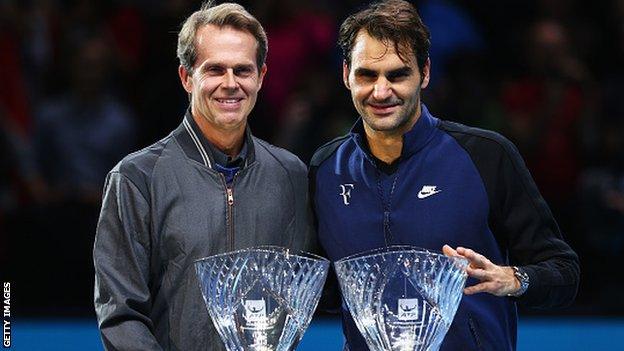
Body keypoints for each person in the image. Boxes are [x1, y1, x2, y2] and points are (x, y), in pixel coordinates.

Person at [309, 1, 580, 350]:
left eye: (397, 74)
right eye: (367, 75)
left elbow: (564, 272)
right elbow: (323, 288)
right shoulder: (326, 167)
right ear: (346, 74)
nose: (380, 91)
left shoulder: (485, 155)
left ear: (424, 73)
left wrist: (514, 278)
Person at [93, 2, 314, 350]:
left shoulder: (291, 175)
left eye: (243, 70)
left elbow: (307, 289)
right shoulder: (136, 178)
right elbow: (122, 316)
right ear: (186, 77)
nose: (230, 84)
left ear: (261, 77)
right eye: (215, 70)